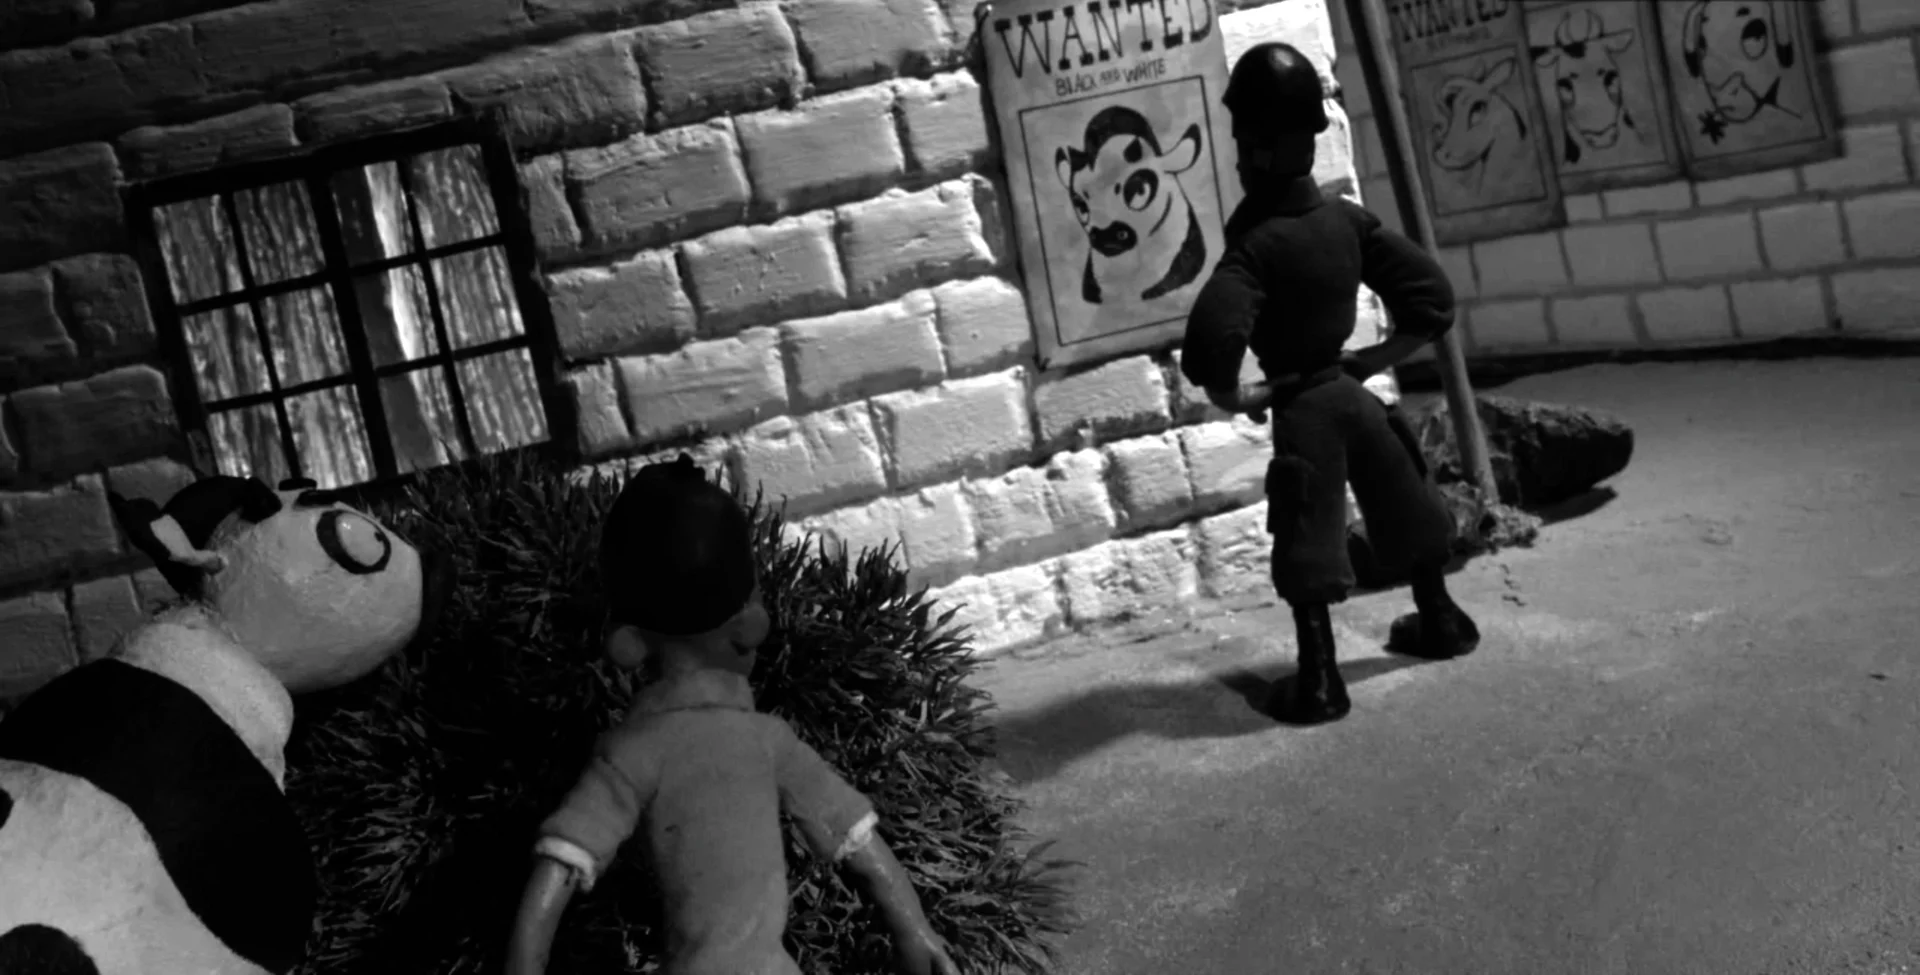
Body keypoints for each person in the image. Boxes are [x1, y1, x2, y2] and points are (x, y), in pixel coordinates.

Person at [504, 455, 959, 975]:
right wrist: (915, 930)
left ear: (628, 641)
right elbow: (858, 845)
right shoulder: (766, 742)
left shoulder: (633, 755)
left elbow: (560, 867)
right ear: (750, 624)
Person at [1180, 42, 1481, 726]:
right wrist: (1374, 359)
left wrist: (1240, 396)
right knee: (1405, 498)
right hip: (1354, 393)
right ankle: (1440, 615)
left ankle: (1320, 676)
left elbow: (1211, 344)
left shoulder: (1254, 248)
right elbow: (1432, 297)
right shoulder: (1346, 221)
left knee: (1308, 530)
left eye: (1243, 144)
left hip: (1304, 407)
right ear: (1312, 138)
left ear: (1255, 149)